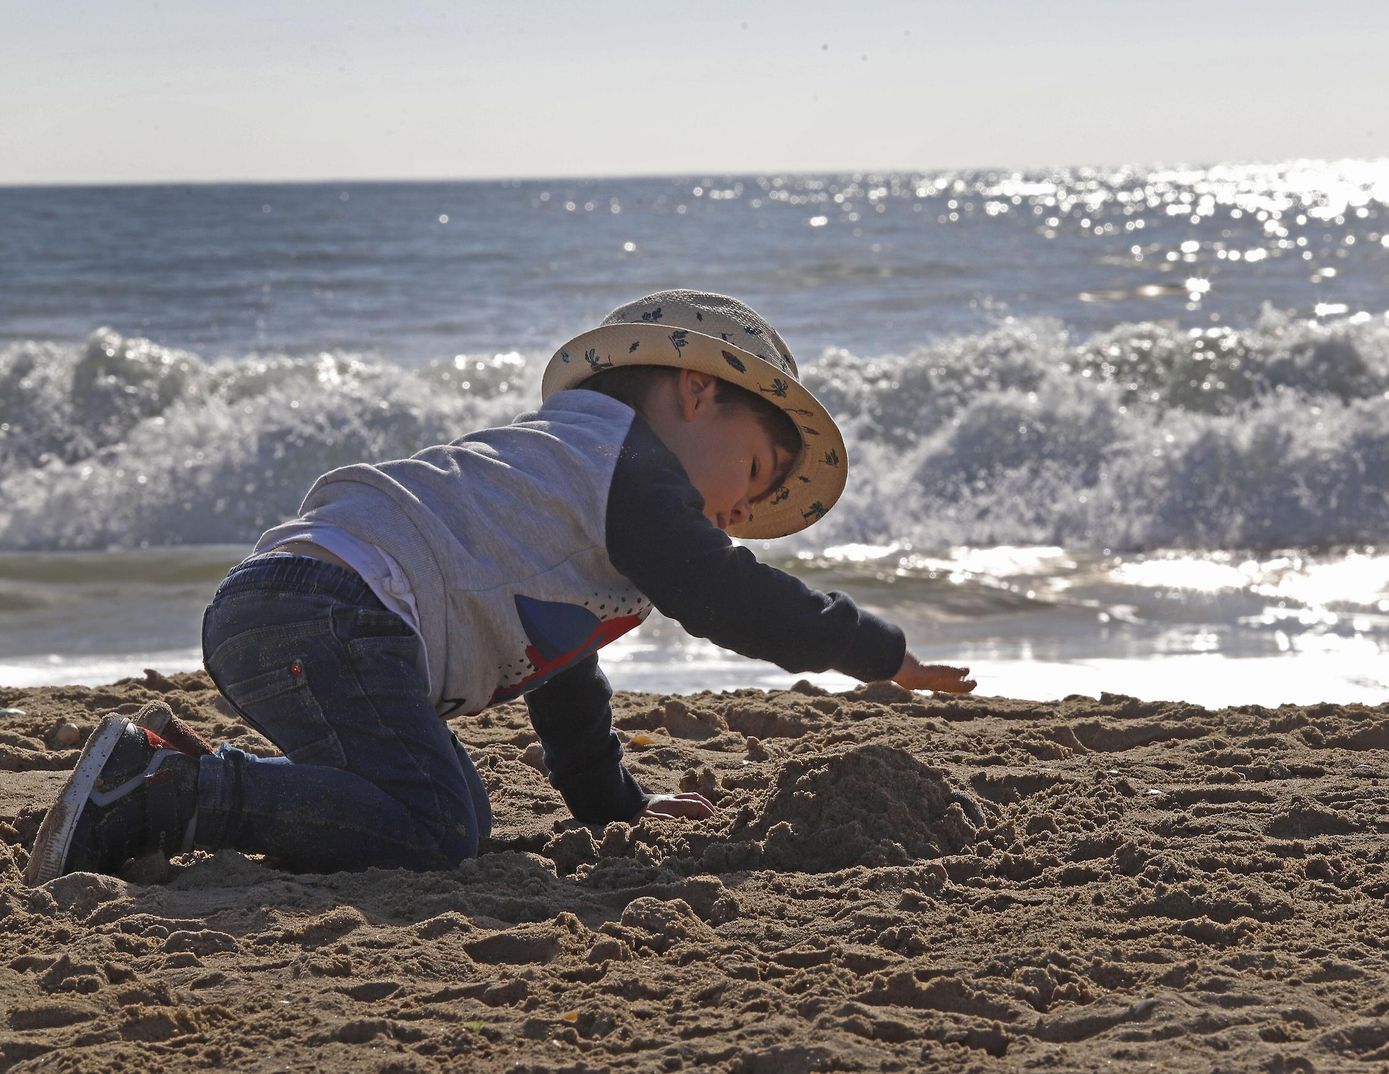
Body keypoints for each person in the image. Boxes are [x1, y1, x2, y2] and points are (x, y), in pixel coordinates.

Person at [25, 289, 976, 885]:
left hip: (275, 611)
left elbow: (560, 668)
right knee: (440, 824)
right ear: (699, 392)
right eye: (759, 470)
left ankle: (184, 764)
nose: (739, 511)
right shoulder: (626, 473)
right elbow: (732, 597)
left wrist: (611, 806)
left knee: (398, 798)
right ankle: (164, 791)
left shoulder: (564, 483)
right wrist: (875, 650)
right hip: (335, 611)